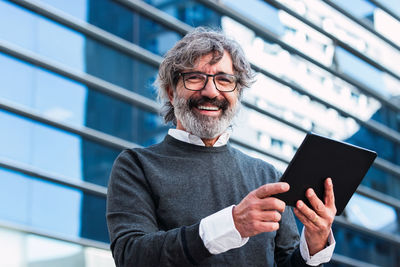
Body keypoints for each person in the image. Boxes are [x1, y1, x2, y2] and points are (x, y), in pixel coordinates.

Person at [106, 27, 336, 267]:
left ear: (237, 94)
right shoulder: (136, 166)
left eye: (224, 80)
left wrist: (315, 244)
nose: (211, 91)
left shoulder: (267, 176)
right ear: (171, 92)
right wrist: (232, 225)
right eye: (194, 78)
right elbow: (131, 256)